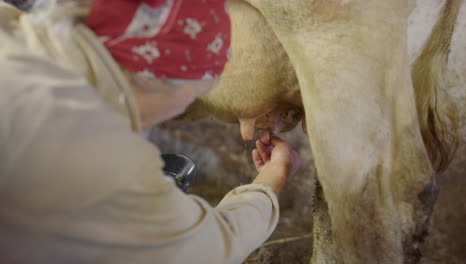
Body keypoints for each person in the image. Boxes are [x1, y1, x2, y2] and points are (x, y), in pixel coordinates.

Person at [0, 0, 302, 263]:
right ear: (158, 78)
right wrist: (270, 181)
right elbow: (202, 250)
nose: (186, 107)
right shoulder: (95, 156)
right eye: (193, 96)